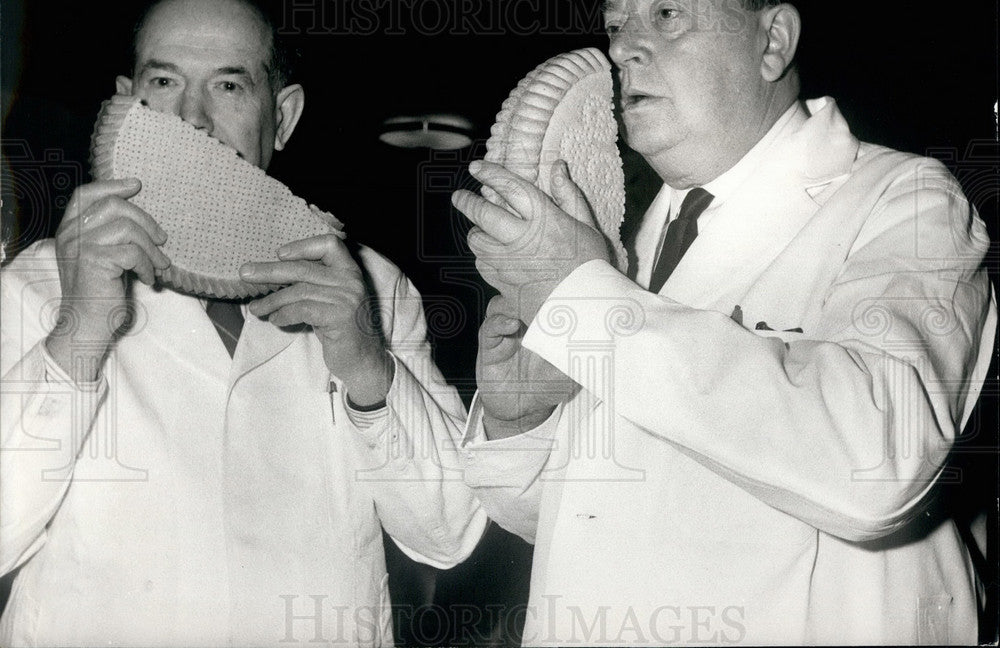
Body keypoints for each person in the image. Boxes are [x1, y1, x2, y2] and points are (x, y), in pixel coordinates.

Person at [451, 0, 996, 644]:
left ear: (773, 41)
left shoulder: (905, 200)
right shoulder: (617, 242)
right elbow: (590, 523)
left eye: (667, 14)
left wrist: (587, 300)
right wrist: (522, 419)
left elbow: (878, 465)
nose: (621, 49)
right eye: (617, 24)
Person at [0, 0, 486, 645]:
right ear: (125, 103)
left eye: (229, 86)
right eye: (163, 81)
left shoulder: (373, 288)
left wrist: (367, 365)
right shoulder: (35, 285)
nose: (192, 119)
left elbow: (450, 533)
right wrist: (78, 333)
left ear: (283, 117)